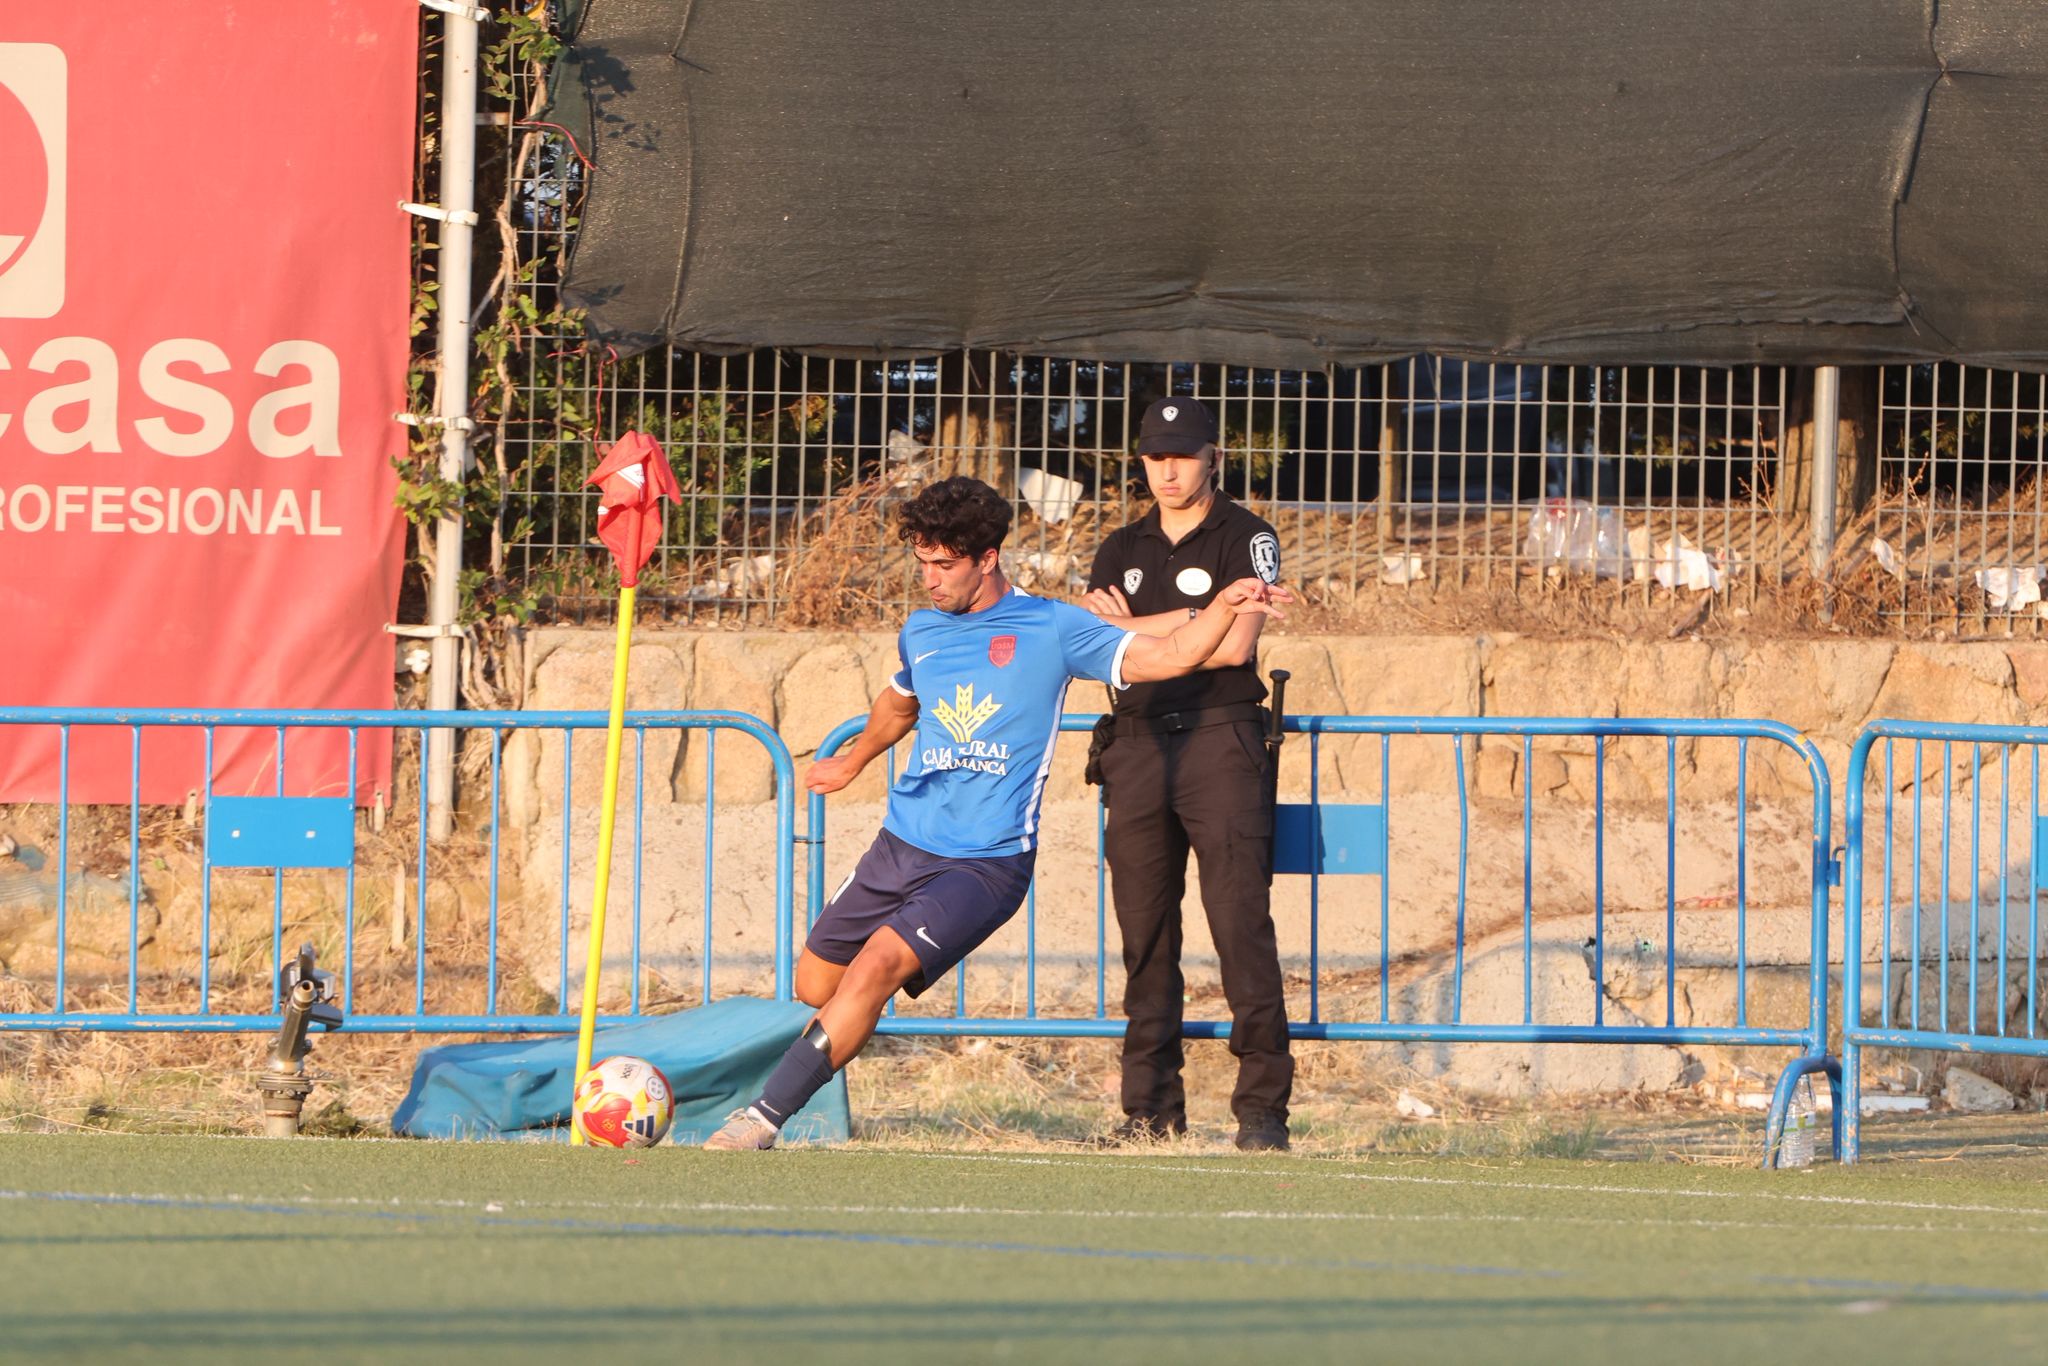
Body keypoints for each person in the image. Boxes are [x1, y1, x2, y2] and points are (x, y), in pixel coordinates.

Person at [705, 475, 1288, 1150]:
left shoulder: (1054, 628)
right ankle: (813, 1060)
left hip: (985, 863)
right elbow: (900, 704)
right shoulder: (921, 631)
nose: (930, 579)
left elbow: (1172, 654)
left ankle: (761, 1119)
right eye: (922, 563)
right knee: (816, 984)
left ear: (987, 559)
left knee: (875, 971)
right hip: (901, 844)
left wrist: (1222, 606)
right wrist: (856, 759)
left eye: (944, 565)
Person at [1080, 396, 1293, 1152]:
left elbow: (1235, 649)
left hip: (1219, 739)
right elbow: (1092, 648)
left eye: (1183, 455)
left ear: (1214, 458)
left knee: (1239, 925)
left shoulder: (1249, 536)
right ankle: (1149, 1111)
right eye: (1154, 457)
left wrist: (1131, 627)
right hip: (1135, 743)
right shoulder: (1119, 546)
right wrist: (1189, 620)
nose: (1168, 471)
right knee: (1145, 934)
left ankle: (1263, 1110)